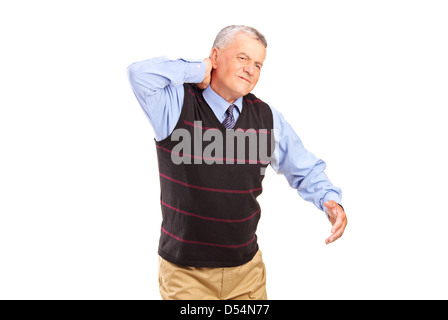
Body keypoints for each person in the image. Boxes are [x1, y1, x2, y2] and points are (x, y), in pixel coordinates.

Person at [127, 25, 347, 300]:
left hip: (247, 272)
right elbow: (139, 74)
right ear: (215, 57)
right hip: (186, 273)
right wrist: (200, 69)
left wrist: (329, 199)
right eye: (242, 58)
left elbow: (303, 166)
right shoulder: (175, 105)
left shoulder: (266, 118)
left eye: (258, 64)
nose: (251, 69)